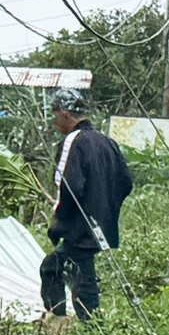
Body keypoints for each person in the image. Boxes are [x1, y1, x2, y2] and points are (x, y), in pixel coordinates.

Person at [40, 90, 131, 321]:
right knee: (74, 271)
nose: (54, 121)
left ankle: (66, 322)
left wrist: (59, 221)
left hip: (80, 225)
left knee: (57, 270)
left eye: (55, 115)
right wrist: (107, 208)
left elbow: (69, 186)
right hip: (101, 223)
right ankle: (85, 323)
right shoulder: (106, 142)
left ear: (65, 114)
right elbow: (126, 182)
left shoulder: (74, 141)